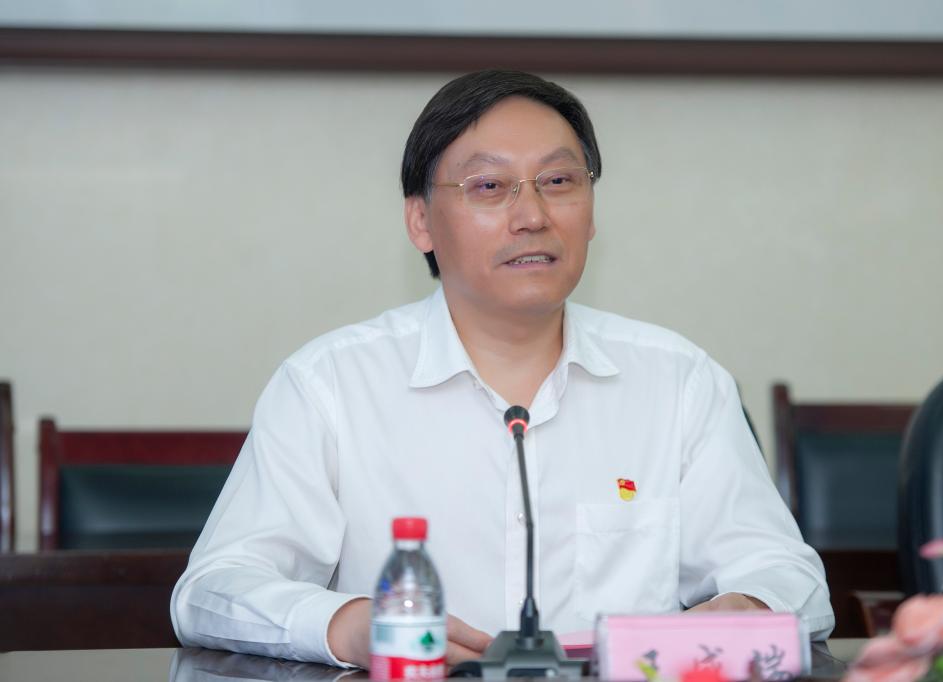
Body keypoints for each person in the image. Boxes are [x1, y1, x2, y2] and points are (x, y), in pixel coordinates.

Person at [171, 70, 834, 669]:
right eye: (489, 187)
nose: (533, 216)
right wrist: (346, 625)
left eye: (559, 182)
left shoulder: (679, 381)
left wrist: (749, 605)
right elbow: (213, 589)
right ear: (420, 221)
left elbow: (788, 575)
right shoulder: (331, 385)